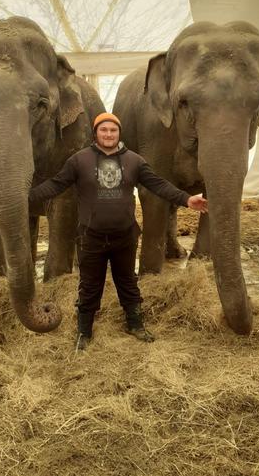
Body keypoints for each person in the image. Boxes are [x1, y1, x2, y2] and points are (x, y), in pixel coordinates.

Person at [29, 112, 208, 350]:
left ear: (119, 133)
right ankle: (84, 331)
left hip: (125, 236)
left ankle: (135, 325)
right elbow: (55, 184)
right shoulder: (79, 160)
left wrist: (187, 199)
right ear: (96, 133)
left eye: (113, 130)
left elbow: (158, 184)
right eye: (103, 130)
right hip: (90, 237)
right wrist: (25, 198)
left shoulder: (134, 161)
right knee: (89, 285)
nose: (109, 134)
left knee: (128, 283)